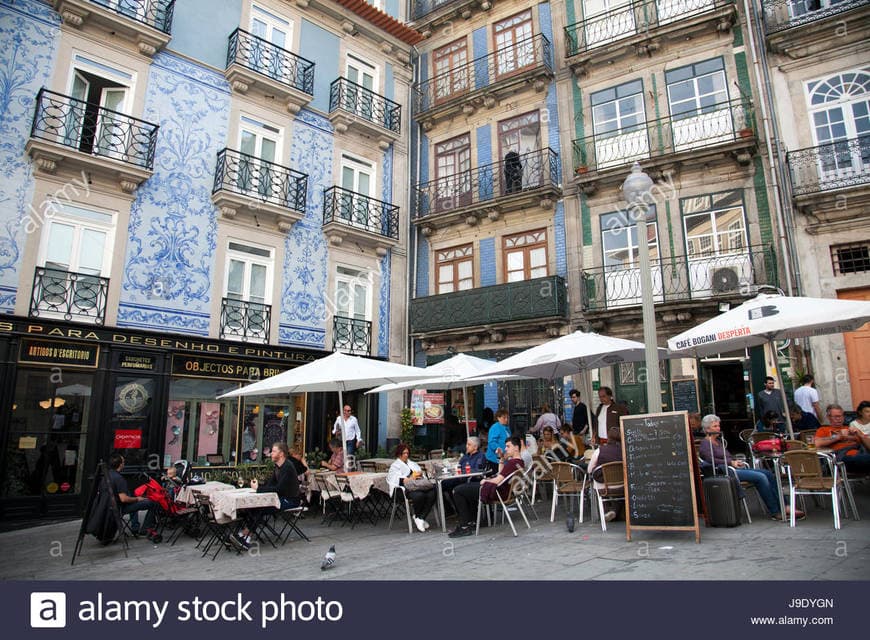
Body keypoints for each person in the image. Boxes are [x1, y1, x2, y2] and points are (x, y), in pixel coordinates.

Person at [698, 414, 800, 521]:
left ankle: (785, 505)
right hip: (724, 473)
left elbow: (727, 456)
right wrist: (731, 462)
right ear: (707, 428)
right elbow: (710, 460)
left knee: (768, 473)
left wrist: (735, 461)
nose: (718, 428)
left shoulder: (718, 442)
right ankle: (775, 511)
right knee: (761, 477)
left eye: (718, 426)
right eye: (715, 426)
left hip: (733, 468)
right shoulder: (705, 443)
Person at [448, 435, 525, 538]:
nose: (505, 449)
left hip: (498, 492)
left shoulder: (512, 463)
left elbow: (497, 480)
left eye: (508, 446)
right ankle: (472, 521)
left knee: (457, 491)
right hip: (504, 491)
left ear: (516, 448)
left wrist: (485, 481)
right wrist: (501, 458)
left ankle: (464, 526)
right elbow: (500, 473)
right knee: (465, 489)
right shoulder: (519, 462)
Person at [236, 442, 301, 547]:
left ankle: (246, 536)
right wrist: (259, 487)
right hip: (280, 498)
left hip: (291, 500)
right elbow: (270, 484)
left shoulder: (287, 467)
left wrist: (258, 489)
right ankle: (243, 534)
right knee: (254, 507)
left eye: (274, 451)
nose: (271, 453)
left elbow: (279, 489)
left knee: (260, 508)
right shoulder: (278, 467)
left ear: (281, 454)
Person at [387, 443, 436, 532]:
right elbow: (397, 481)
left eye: (407, 453)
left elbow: (421, 474)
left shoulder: (412, 463)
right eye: (404, 453)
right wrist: (411, 478)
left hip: (417, 486)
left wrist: (420, 475)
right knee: (419, 496)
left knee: (432, 492)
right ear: (399, 454)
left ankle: (420, 517)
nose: (406, 455)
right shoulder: (395, 466)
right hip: (402, 490)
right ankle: (419, 517)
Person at [107, 454, 158, 536]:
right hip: (120, 507)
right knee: (153, 503)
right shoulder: (119, 479)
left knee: (132, 498)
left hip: (111, 506)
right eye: (123, 462)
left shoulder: (108, 475)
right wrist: (137, 499)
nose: (124, 463)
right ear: (120, 464)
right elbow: (124, 499)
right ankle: (145, 529)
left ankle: (135, 527)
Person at [814, 404, 870, 475]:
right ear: (828, 417)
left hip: (861, 455)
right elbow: (816, 443)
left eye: (841, 416)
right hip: (842, 459)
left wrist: (860, 434)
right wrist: (838, 436)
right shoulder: (823, 430)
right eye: (836, 416)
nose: (839, 419)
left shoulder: (850, 428)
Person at [587, 426, 624, 522]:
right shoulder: (625, 450)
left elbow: (589, 470)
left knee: (598, 485)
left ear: (608, 437)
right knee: (620, 492)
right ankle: (614, 510)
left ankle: (608, 510)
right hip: (622, 486)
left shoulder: (600, 451)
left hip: (604, 486)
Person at [485, 408, 511, 473]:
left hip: (504, 457)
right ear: (498, 418)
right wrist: (499, 450)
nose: (506, 420)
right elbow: (492, 442)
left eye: (507, 418)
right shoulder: (495, 427)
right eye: (504, 418)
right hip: (494, 458)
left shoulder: (507, 428)